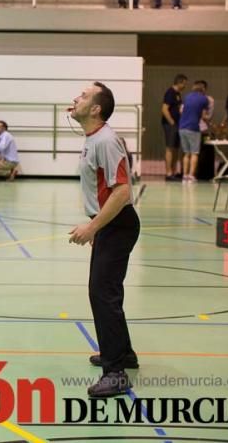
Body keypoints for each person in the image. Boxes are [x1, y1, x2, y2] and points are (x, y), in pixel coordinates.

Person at [68, 82, 140, 398]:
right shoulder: (94, 138)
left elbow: (123, 192)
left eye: (83, 96)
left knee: (102, 293)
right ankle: (123, 353)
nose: (75, 98)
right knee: (107, 291)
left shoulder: (107, 141)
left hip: (117, 224)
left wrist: (93, 227)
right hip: (110, 224)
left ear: (96, 108)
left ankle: (116, 372)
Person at [179, 81, 209, 183]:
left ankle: (184, 176)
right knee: (194, 153)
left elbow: (181, 111)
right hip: (193, 128)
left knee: (186, 153)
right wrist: (209, 121)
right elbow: (204, 116)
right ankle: (191, 176)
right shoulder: (204, 99)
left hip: (182, 127)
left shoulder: (187, 97)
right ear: (203, 89)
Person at [161, 74, 187, 180]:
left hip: (177, 124)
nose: (185, 86)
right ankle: (168, 173)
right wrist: (171, 122)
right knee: (170, 148)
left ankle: (174, 171)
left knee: (176, 148)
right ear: (179, 82)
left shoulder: (178, 94)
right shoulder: (170, 92)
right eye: (184, 84)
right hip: (170, 125)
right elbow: (164, 109)